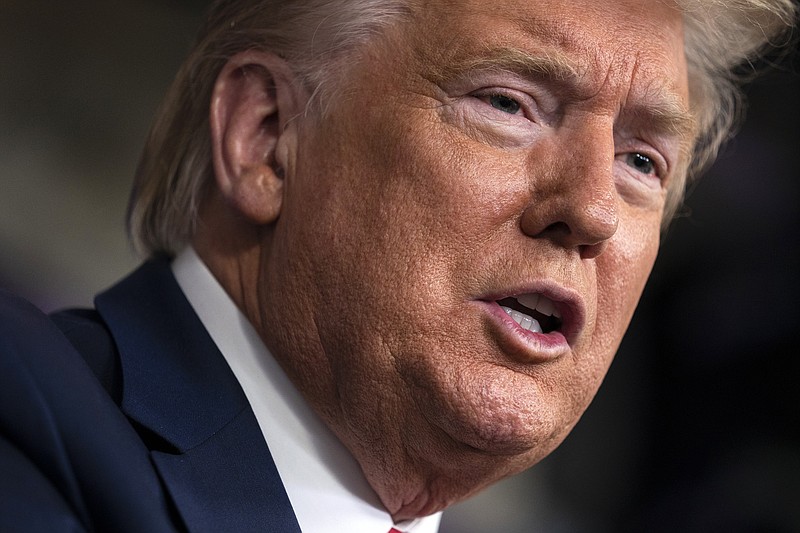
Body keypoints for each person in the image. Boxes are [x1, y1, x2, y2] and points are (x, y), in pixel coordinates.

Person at [0, 0, 795, 531]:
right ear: (267, 134)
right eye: (509, 104)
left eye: (641, 162)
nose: (590, 210)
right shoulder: (26, 421)